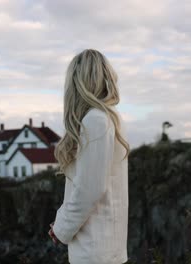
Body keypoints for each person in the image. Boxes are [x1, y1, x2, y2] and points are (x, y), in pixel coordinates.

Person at [48, 49, 131, 264]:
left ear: (76, 82)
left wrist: (61, 228)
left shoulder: (95, 121)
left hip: (94, 252)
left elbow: (89, 189)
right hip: (106, 249)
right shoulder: (109, 119)